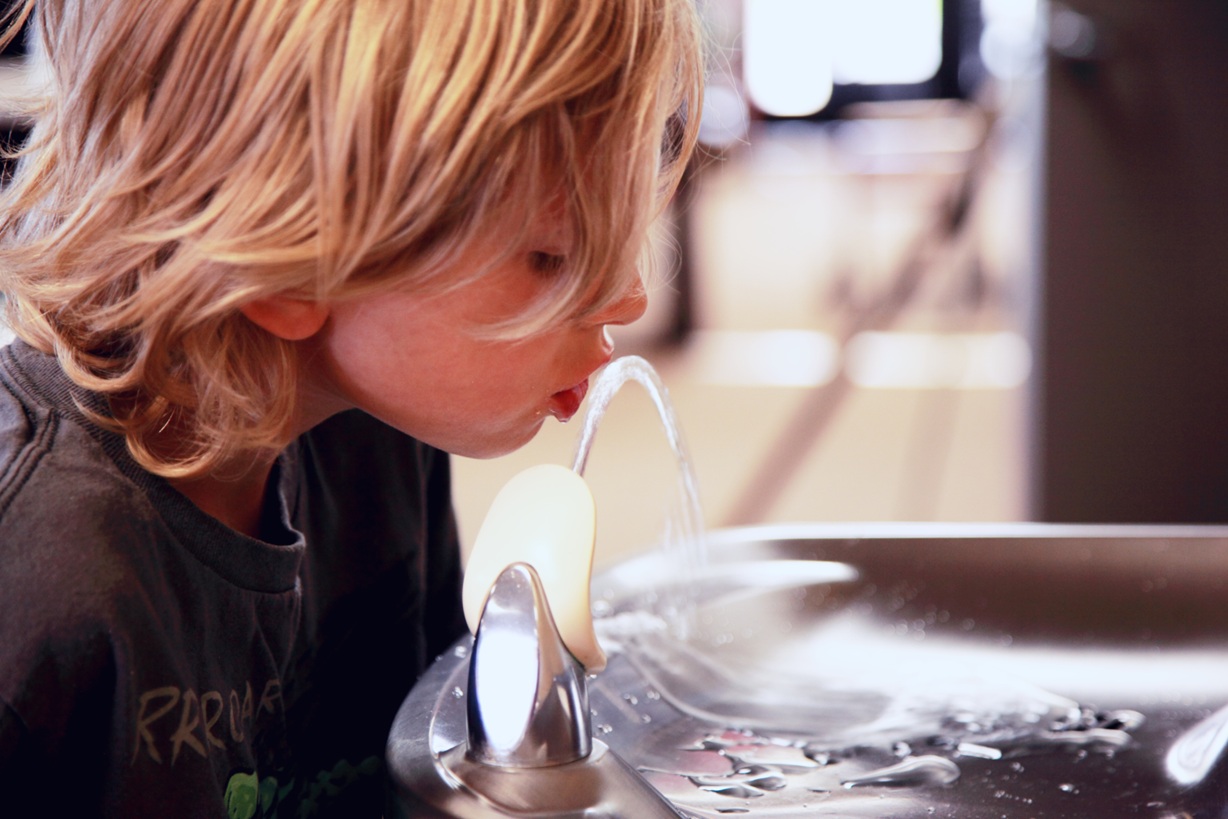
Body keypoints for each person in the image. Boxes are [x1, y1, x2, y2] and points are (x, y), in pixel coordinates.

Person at [0, 0, 703, 815]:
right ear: (282, 260)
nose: (629, 295)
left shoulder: (374, 439)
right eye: (550, 256)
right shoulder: (44, 589)